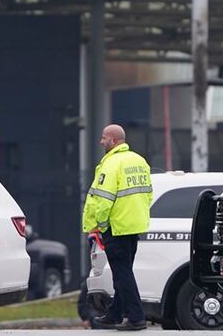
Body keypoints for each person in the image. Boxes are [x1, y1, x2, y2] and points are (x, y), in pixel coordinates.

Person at [82, 124, 152, 331]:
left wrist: (101, 226)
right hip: (133, 226)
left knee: (122, 274)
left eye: (104, 138)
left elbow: (103, 200)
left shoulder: (112, 164)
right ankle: (114, 314)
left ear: (113, 141)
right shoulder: (139, 161)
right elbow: (148, 195)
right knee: (124, 272)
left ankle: (136, 318)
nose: (101, 141)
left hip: (116, 227)